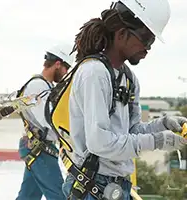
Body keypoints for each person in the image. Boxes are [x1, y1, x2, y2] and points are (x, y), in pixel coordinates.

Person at [62, 1, 187, 200]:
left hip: (118, 186)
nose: (148, 48)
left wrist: (162, 124)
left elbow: (130, 131)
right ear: (121, 34)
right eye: (145, 39)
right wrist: (157, 141)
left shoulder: (128, 79)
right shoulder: (94, 73)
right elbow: (99, 142)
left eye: (152, 41)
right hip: (93, 185)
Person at [16, 44, 73, 200]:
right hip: (38, 148)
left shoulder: (45, 86)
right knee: (59, 196)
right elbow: (49, 121)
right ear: (58, 64)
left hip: (37, 147)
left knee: (28, 196)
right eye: (66, 68)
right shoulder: (38, 86)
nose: (66, 73)